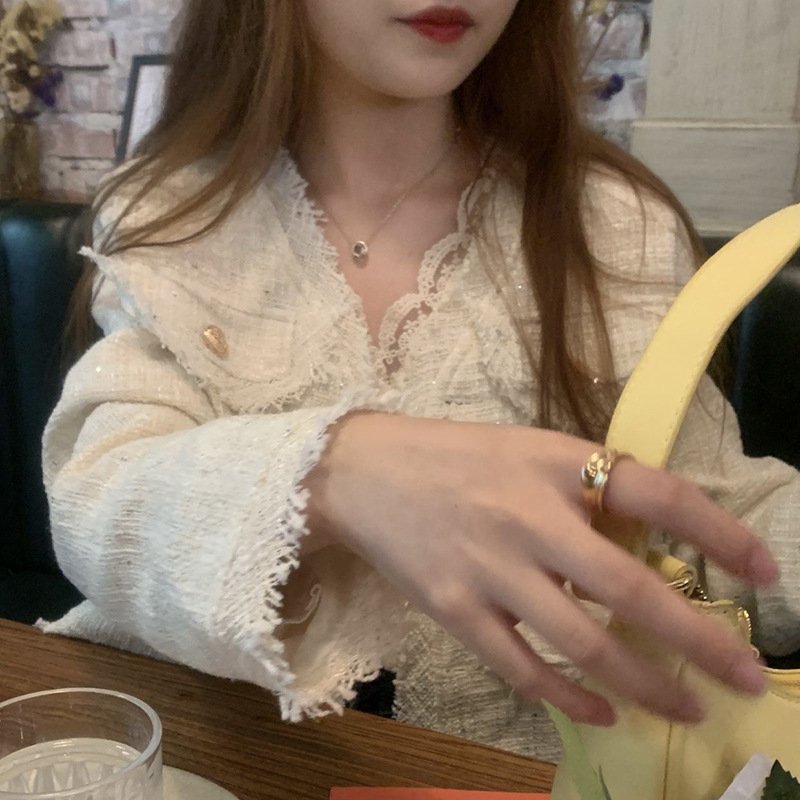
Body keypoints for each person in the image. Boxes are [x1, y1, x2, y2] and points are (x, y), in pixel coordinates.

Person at [42, 0, 799, 761]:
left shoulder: (612, 223)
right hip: (231, 762)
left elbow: (713, 524)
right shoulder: (177, 212)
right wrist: (329, 471)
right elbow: (102, 496)